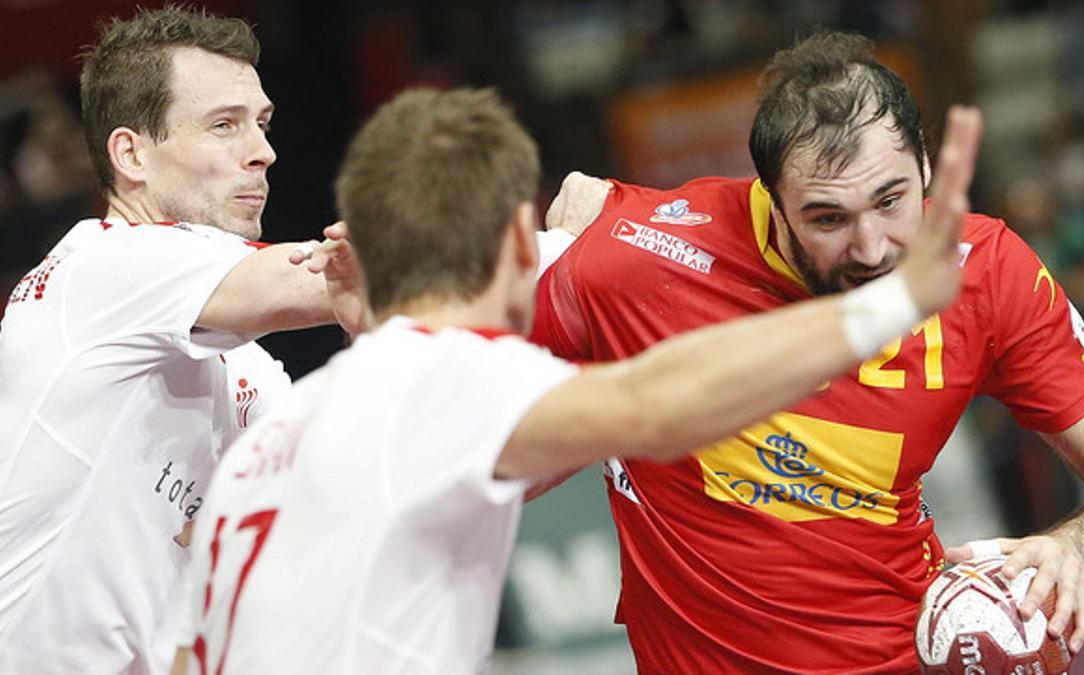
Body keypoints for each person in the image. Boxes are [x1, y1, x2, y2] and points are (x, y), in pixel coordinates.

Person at [169, 85, 980, 673]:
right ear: (524, 245)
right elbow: (655, 402)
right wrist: (896, 302)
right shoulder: (453, 382)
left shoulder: (282, 430)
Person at [530, 31, 1084, 673]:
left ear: (925, 166)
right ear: (772, 201)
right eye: (827, 218)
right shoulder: (631, 261)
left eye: (891, 199)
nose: (872, 247)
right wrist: (557, 259)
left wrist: (1076, 545)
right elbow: (476, 426)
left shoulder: (987, 273)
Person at [0, 7, 372, 673]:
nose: (263, 150)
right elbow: (329, 286)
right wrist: (577, 257)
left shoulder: (240, 362)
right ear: (131, 153)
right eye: (224, 125)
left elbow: (348, 477)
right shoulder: (104, 267)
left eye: (261, 123)